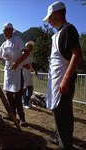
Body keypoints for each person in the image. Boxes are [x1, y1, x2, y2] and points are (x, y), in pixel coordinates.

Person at [43, 1, 82, 149]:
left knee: (63, 116)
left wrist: (65, 79)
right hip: (55, 82)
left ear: (57, 14)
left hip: (62, 84)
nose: (49, 22)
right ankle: (60, 139)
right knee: (58, 114)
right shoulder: (58, 33)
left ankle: (65, 145)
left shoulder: (68, 30)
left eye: (50, 18)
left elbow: (77, 54)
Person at [0, 22, 30, 126]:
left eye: (5, 31)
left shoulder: (17, 40)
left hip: (17, 72)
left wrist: (18, 62)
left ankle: (22, 118)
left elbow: (26, 52)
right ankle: (12, 115)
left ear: (11, 30)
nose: (3, 33)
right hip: (8, 72)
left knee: (17, 95)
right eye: (3, 31)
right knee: (9, 95)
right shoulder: (4, 44)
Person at [22, 41, 37, 109]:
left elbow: (32, 64)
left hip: (29, 74)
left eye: (31, 46)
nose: (31, 47)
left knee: (30, 88)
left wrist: (35, 70)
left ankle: (26, 101)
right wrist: (24, 66)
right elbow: (17, 63)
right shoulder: (23, 54)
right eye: (29, 46)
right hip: (23, 73)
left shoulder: (30, 54)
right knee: (24, 88)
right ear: (26, 47)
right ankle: (25, 103)